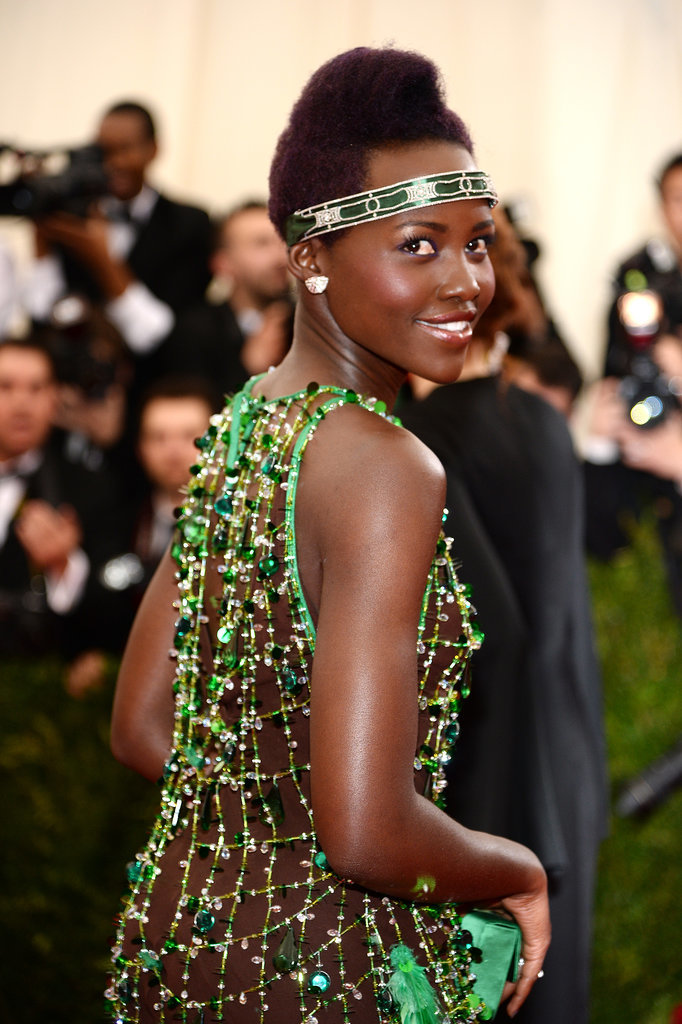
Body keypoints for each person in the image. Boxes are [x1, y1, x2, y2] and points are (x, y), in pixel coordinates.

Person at [107, 47, 550, 1024]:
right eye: (417, 245)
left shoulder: (247, 421)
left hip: (184, 955)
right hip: (332, 975)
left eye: (477, 242)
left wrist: (271, 820)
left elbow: (144, 729)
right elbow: (365, 832)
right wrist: (516, 868)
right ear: (309, 257)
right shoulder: (389, 467)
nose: (464, 281)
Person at [401, 207, 607, 1024]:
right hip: (569, 778)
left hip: (490, 806)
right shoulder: (547, 425)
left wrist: (466, 842)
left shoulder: (416, 440)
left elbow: (493, 645)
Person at [22, 100, 212, 392]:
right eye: (102, 152)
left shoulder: (190, 225)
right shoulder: (74, 215)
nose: (113, 163)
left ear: (153, 150)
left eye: (124, 149)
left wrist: (103, 259)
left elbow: (160, 334)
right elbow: (40, 311)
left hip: (148, 393)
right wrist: (42, 235)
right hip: (70, 390)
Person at [583, 152, 682, 615]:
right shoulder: (638, 277)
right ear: (661, 207)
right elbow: (615, 380)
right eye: (679, 198)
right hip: (643, 495)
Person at [0, 337, 125, 657]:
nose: (22, 403)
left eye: (37, 388)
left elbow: (113, 609)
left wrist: (65, 565)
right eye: (6, 387)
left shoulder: (88, 487)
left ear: (55, 398)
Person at [162, 200, 293, 401]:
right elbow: (194, 416)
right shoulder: (194, 332)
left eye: (283, 241)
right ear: (223, 264)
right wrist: (248, 369)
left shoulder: (310, 322)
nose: (280, 257)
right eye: (262, 244)